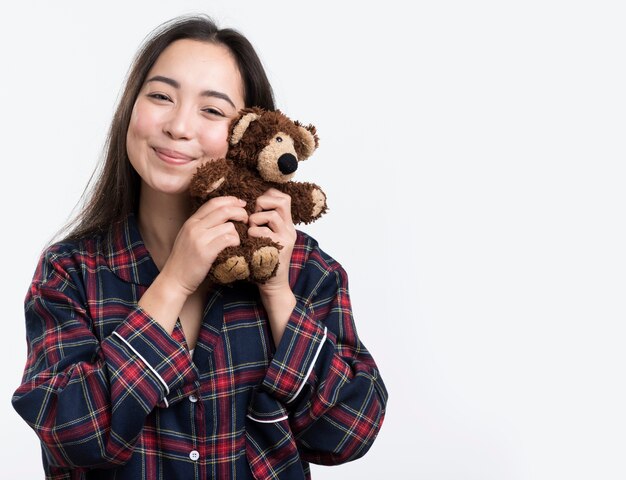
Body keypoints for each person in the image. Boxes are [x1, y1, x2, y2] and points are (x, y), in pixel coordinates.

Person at [12, 15, 388, 480]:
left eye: (212, 110)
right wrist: (172, 282)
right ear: (131, 107)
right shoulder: (71, 271)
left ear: (247, 134)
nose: (178, 126)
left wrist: (277, 294)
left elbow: (349, 432)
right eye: (161, 96)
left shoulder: (303, 266)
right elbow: (70, 434)